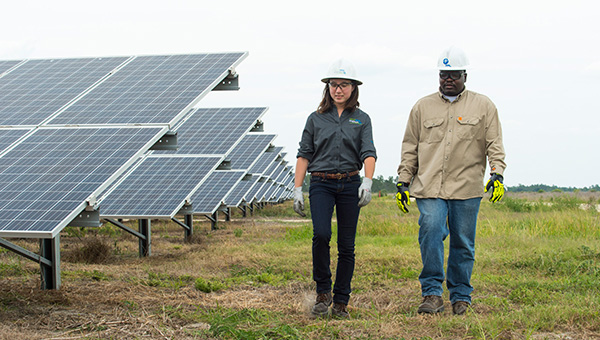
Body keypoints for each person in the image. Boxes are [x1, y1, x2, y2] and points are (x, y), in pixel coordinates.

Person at [395, 46, 506, 315]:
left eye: (454, 75)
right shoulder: (422, 107)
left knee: (463, 242)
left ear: (465, 76)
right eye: (444, 74)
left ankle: (461, 295)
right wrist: (402, 181)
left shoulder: (484, 106)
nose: (448, 79)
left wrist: (497, 173)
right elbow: (410, 146)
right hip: (429, 186)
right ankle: (432, 293)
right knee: (431, 230)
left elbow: (494, 143)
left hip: (467, 187)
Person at [293, 58, 377, 318]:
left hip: (350, 183)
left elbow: (369, 152)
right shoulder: (315, 119)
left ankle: (341, 301)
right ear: (327, 88)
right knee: (321, 234)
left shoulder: (361, 119)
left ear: (353, 88)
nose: (338, 89)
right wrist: (297, 188)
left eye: (343, 85)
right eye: (333, 85)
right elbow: (304, 154)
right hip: (321, 183)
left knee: (347, 245)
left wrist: (368, 181)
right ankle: (322, 292)